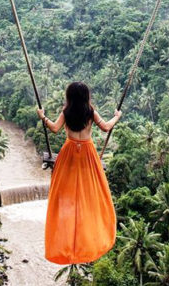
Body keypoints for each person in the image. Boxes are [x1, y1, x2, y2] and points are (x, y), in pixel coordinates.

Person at [37, 81, 122, 264]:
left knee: (65, 192)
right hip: (87, 154)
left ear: (69, 96)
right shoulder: (90, 111)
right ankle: (88, 236)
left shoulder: (66, 112)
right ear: (86, 97)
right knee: (90, 191)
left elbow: (54, 128)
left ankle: (67, 240)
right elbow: (107, 127)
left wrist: (43, 117)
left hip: (69, 153)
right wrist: (117, 116)